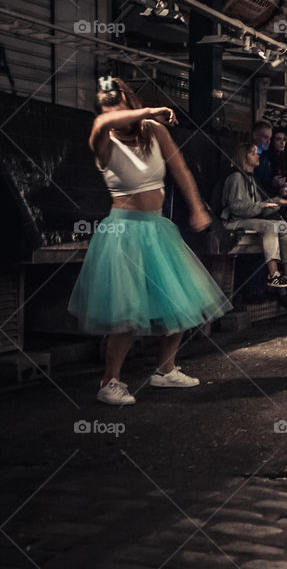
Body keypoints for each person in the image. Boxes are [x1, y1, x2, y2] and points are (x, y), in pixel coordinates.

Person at [68, 77, 231, 406]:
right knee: (127, 312)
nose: (114, 113)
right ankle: (110, 381)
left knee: (181, 300)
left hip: (156, 228)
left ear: (128, 101)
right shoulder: (102, 136)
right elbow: (105, 121)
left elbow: (181, 170)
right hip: (123, 233)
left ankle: (166, 370)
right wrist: (148, 110)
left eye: (118, 104)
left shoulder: (155, 132)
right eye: (107, 108)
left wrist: (197, 207)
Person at [221, 141, 287, 288]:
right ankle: (273, 274)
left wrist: (277, 203)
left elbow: (260, 209)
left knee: (285, 226)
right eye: (253, 153)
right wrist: (262, 205)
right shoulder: (236, 177)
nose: (258, 156)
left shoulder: (251, 179)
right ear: (244, 157)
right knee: (269, 227)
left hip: (249, 219)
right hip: (234, 220)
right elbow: (236, 207)